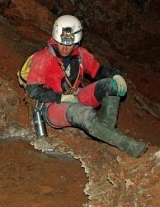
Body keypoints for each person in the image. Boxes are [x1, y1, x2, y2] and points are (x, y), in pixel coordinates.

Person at [26, 15, 148, 158]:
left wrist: (115, 75)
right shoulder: (43, 57)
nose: (65, 48)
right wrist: (60, 97)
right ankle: (127, 144)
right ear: (55, 38)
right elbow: (33, 90)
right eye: (61, 42)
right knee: (84, 114)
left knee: (110, 85)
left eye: (69, 44)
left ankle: (106, 134)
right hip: (52, 105)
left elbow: (99, 71)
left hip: (75, 96)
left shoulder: (81, 55)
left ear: (77, 42)